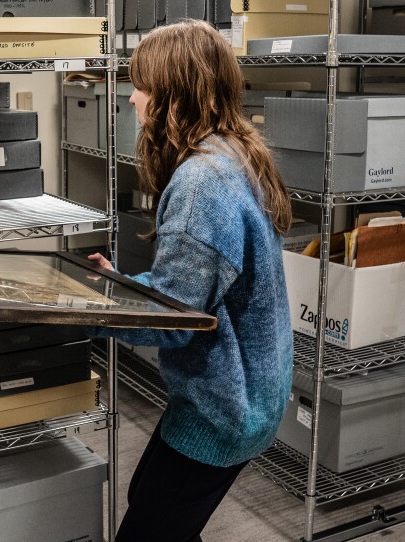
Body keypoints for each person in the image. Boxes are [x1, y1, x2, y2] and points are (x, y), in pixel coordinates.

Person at [87, 19, 294, 542]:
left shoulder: (201, 183)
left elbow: (176, 320)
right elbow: (192, 289)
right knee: (152, 505)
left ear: (173, 94)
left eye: (143, 86)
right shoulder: (233, 151)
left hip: (223, 411)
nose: (133, 99)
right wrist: (119, 284)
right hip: (249, 396)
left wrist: (92, 312)